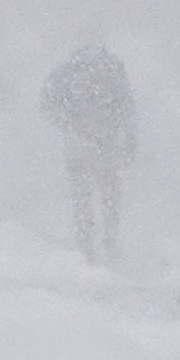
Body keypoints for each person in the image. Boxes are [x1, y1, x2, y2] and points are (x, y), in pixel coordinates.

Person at [41, 34, 139, 263]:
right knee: (107, 194)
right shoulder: (112, 69)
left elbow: (47, 104)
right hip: (105, 141)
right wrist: (129, 139)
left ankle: (89, 244)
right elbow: (127, 106)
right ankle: (107, 242)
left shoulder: (68, 70)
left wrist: (68, 124)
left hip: (80, 142)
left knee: (84, 195)